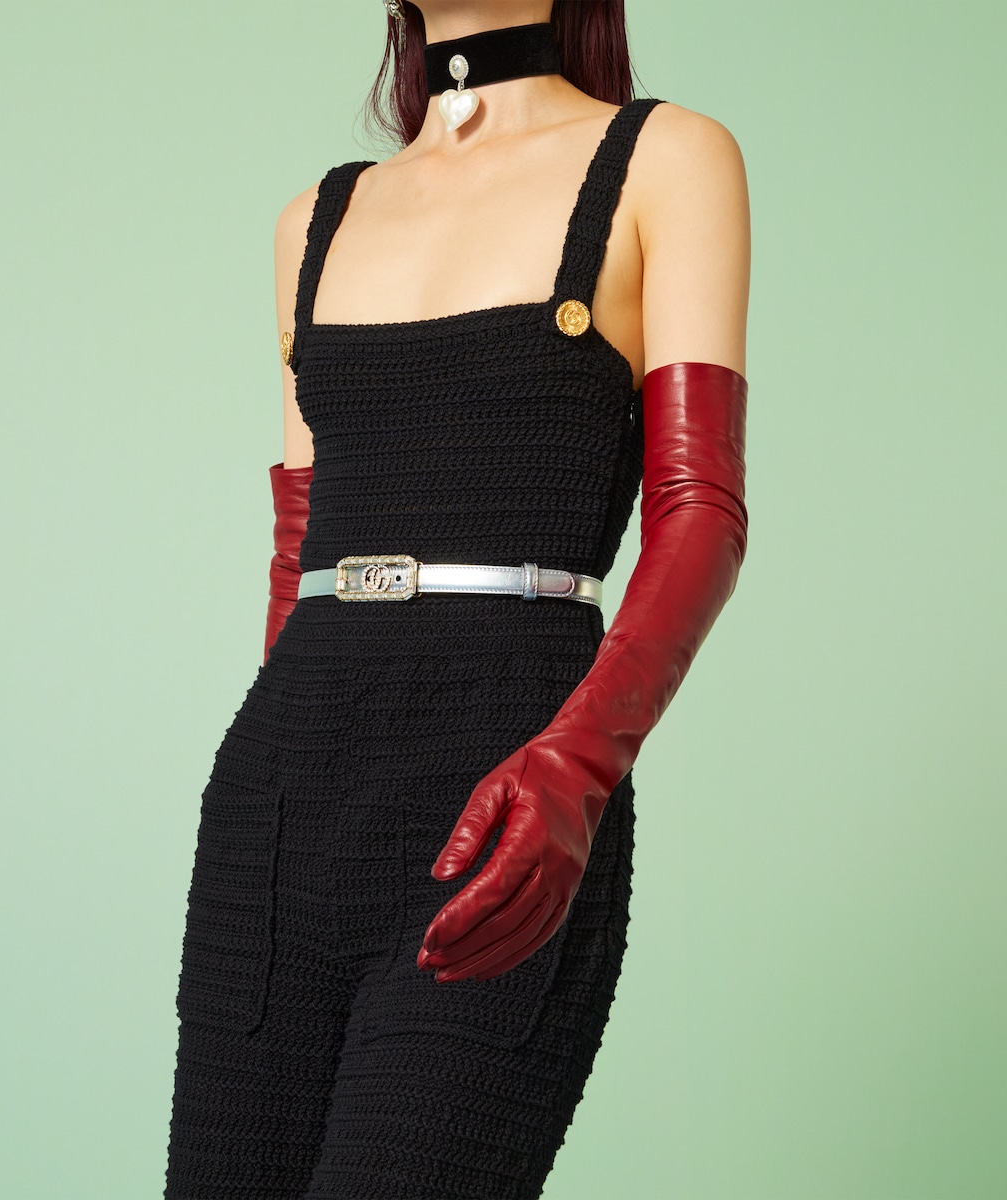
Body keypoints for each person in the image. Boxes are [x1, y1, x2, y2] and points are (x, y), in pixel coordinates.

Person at [164, 1, 749, 1196]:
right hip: (280, 807)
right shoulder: (314, 220)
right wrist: (275, 785)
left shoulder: (665, 159)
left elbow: (700, 512)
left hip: (503, 806)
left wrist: (577, 770)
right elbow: (299, 549)